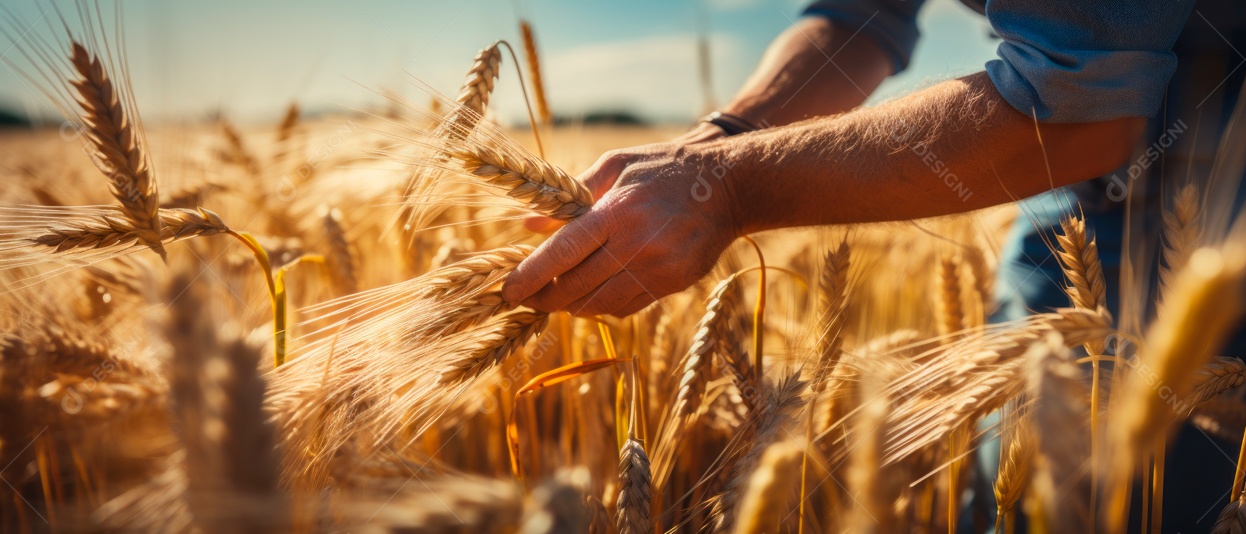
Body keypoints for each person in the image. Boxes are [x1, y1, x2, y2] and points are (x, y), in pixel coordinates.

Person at [501, 1, 1246, 530]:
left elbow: (1081, 107)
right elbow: (862, 12)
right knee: (1020, 484)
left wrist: (727, 190)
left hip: (1210, 148)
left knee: (1127, 496)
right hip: (1095, 164)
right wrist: (710, 149)